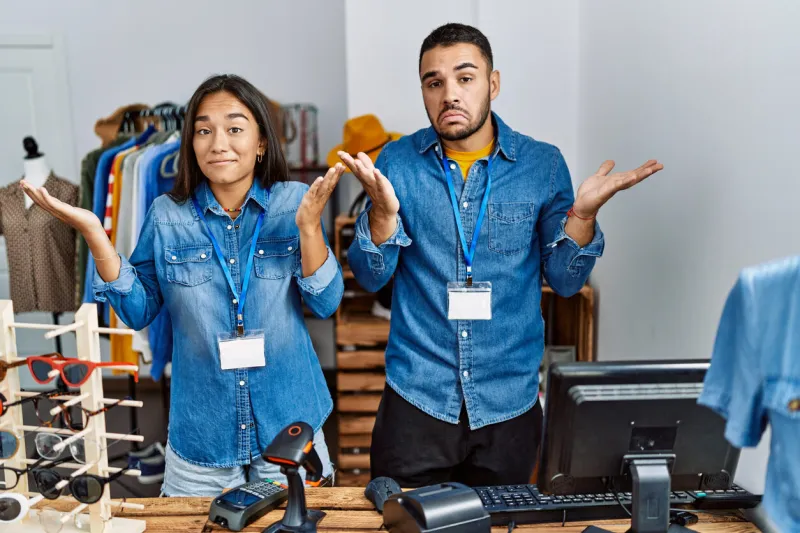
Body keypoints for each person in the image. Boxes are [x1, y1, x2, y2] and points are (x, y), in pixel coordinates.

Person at [339, 23, 663, 487]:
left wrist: (583, 218)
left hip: (509, 403)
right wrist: (383, 219)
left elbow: (567, 282)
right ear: (424, 92)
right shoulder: (396, 163)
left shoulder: (542, 165)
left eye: (465, 78)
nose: (449, 94)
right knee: (405, 521)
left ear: (492, 84)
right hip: (416, 398)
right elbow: (372, 279)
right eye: (434, 82)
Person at [22, 74, 345, 496]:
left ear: (261, 142)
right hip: (203, 435)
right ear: (190, 144)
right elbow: (138, 310)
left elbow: (326, 302)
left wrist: (308, 229)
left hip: (290, 423)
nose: (218, 143)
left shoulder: (294, 201)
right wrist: (95, 235)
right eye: (204, 131)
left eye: (234, 128)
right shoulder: (166, 215)